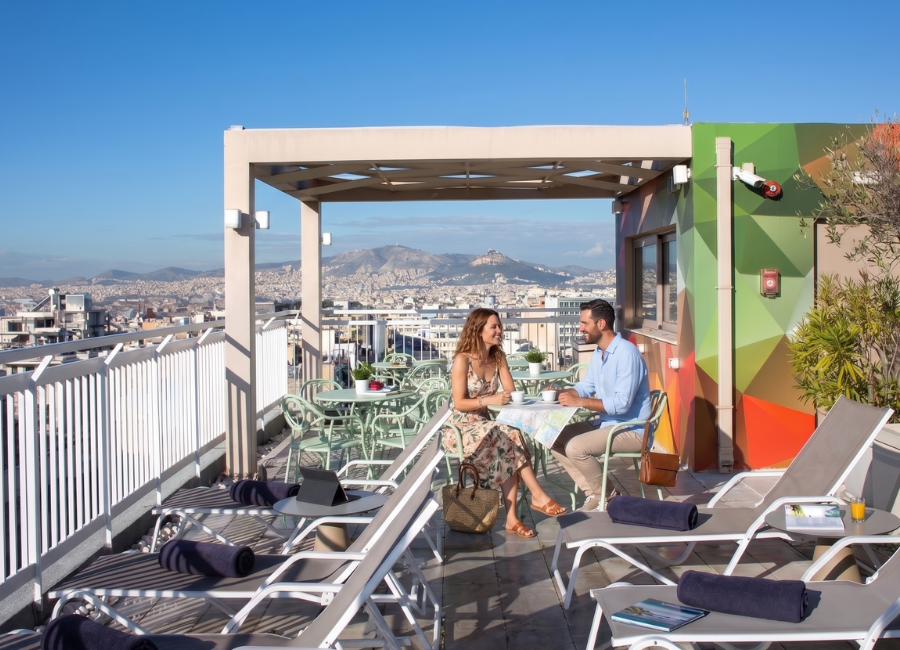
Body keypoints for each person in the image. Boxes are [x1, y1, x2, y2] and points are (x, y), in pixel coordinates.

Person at [442, 308, 567, 537]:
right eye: (494, 326)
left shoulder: (498, 357)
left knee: (509, 438)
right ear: (479, 330)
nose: (500, 330)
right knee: (507, 436)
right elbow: (459, 403)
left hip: (487, 426)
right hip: (460, 428)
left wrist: (523, 397)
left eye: (500, 326)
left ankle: (512, 519)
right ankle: (536, 496)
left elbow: (511, 391)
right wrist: (489, 399)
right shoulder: (463, 360)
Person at [551, 299, 651, 512]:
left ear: (601, 324)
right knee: (554, 437)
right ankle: (597, 493)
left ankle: (606, 496)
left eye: (584, 323)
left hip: (632, 429)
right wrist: (562, 393)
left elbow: (622, 405)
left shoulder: (627, 354)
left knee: (576, 447)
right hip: (607, 424)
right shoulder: (599, 353)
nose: (580, 328)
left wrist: (579, 402)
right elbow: (586, 386)